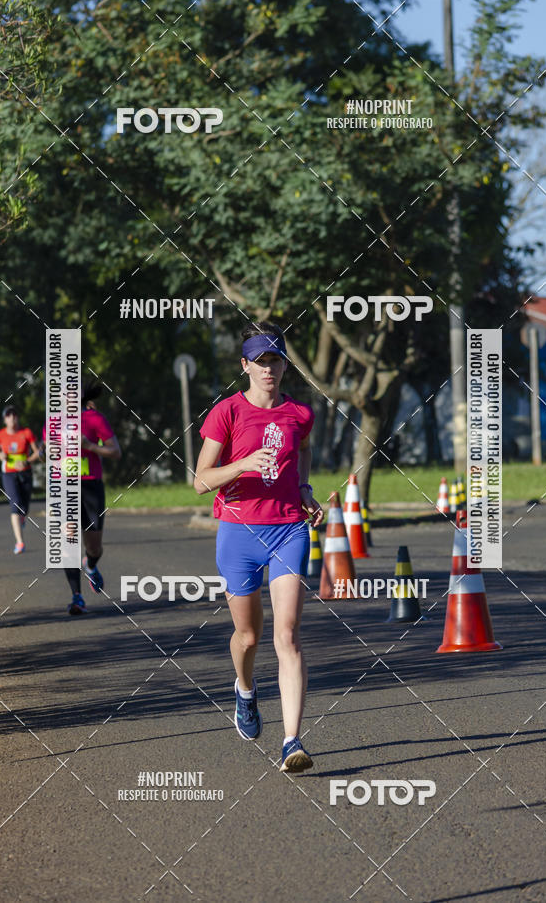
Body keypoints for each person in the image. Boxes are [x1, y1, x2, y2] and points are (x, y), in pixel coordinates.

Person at [195, 321, 323, 773]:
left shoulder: (300, 414)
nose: (270, 368)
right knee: (248, 635)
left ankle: (292, 742)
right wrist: (244, 463)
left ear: (286, 363)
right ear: (245, 365)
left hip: (289, 528)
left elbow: (303, 451)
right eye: (262, 361)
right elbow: (200, 480)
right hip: (238, 532)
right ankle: (245, 690)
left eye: (277, 360)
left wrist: (305, 488)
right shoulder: (226, 412)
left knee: (287, 635)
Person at [45, 381, 121, 615]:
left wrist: (89, 445)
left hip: (91, 487)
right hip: (63, 487)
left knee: (94, 546)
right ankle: (76, 597)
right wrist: (44, 453)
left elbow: (116, 452)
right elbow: (45, 452)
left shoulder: (94, 419)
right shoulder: (53, 422)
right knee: (68, 539)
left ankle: (90, 565)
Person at [0, 406, 40, 554]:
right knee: (15, 504)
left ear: (17, 417)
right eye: (8, 415)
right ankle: (20, 542)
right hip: (8, 474)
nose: (12, 418)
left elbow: (38, 452)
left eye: (14, 415)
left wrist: (27, 461)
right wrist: (0, 456)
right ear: (5, 419)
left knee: (24, 506)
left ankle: (22, 516)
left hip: (25, 473)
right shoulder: (0, 435)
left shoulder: (26, 433)